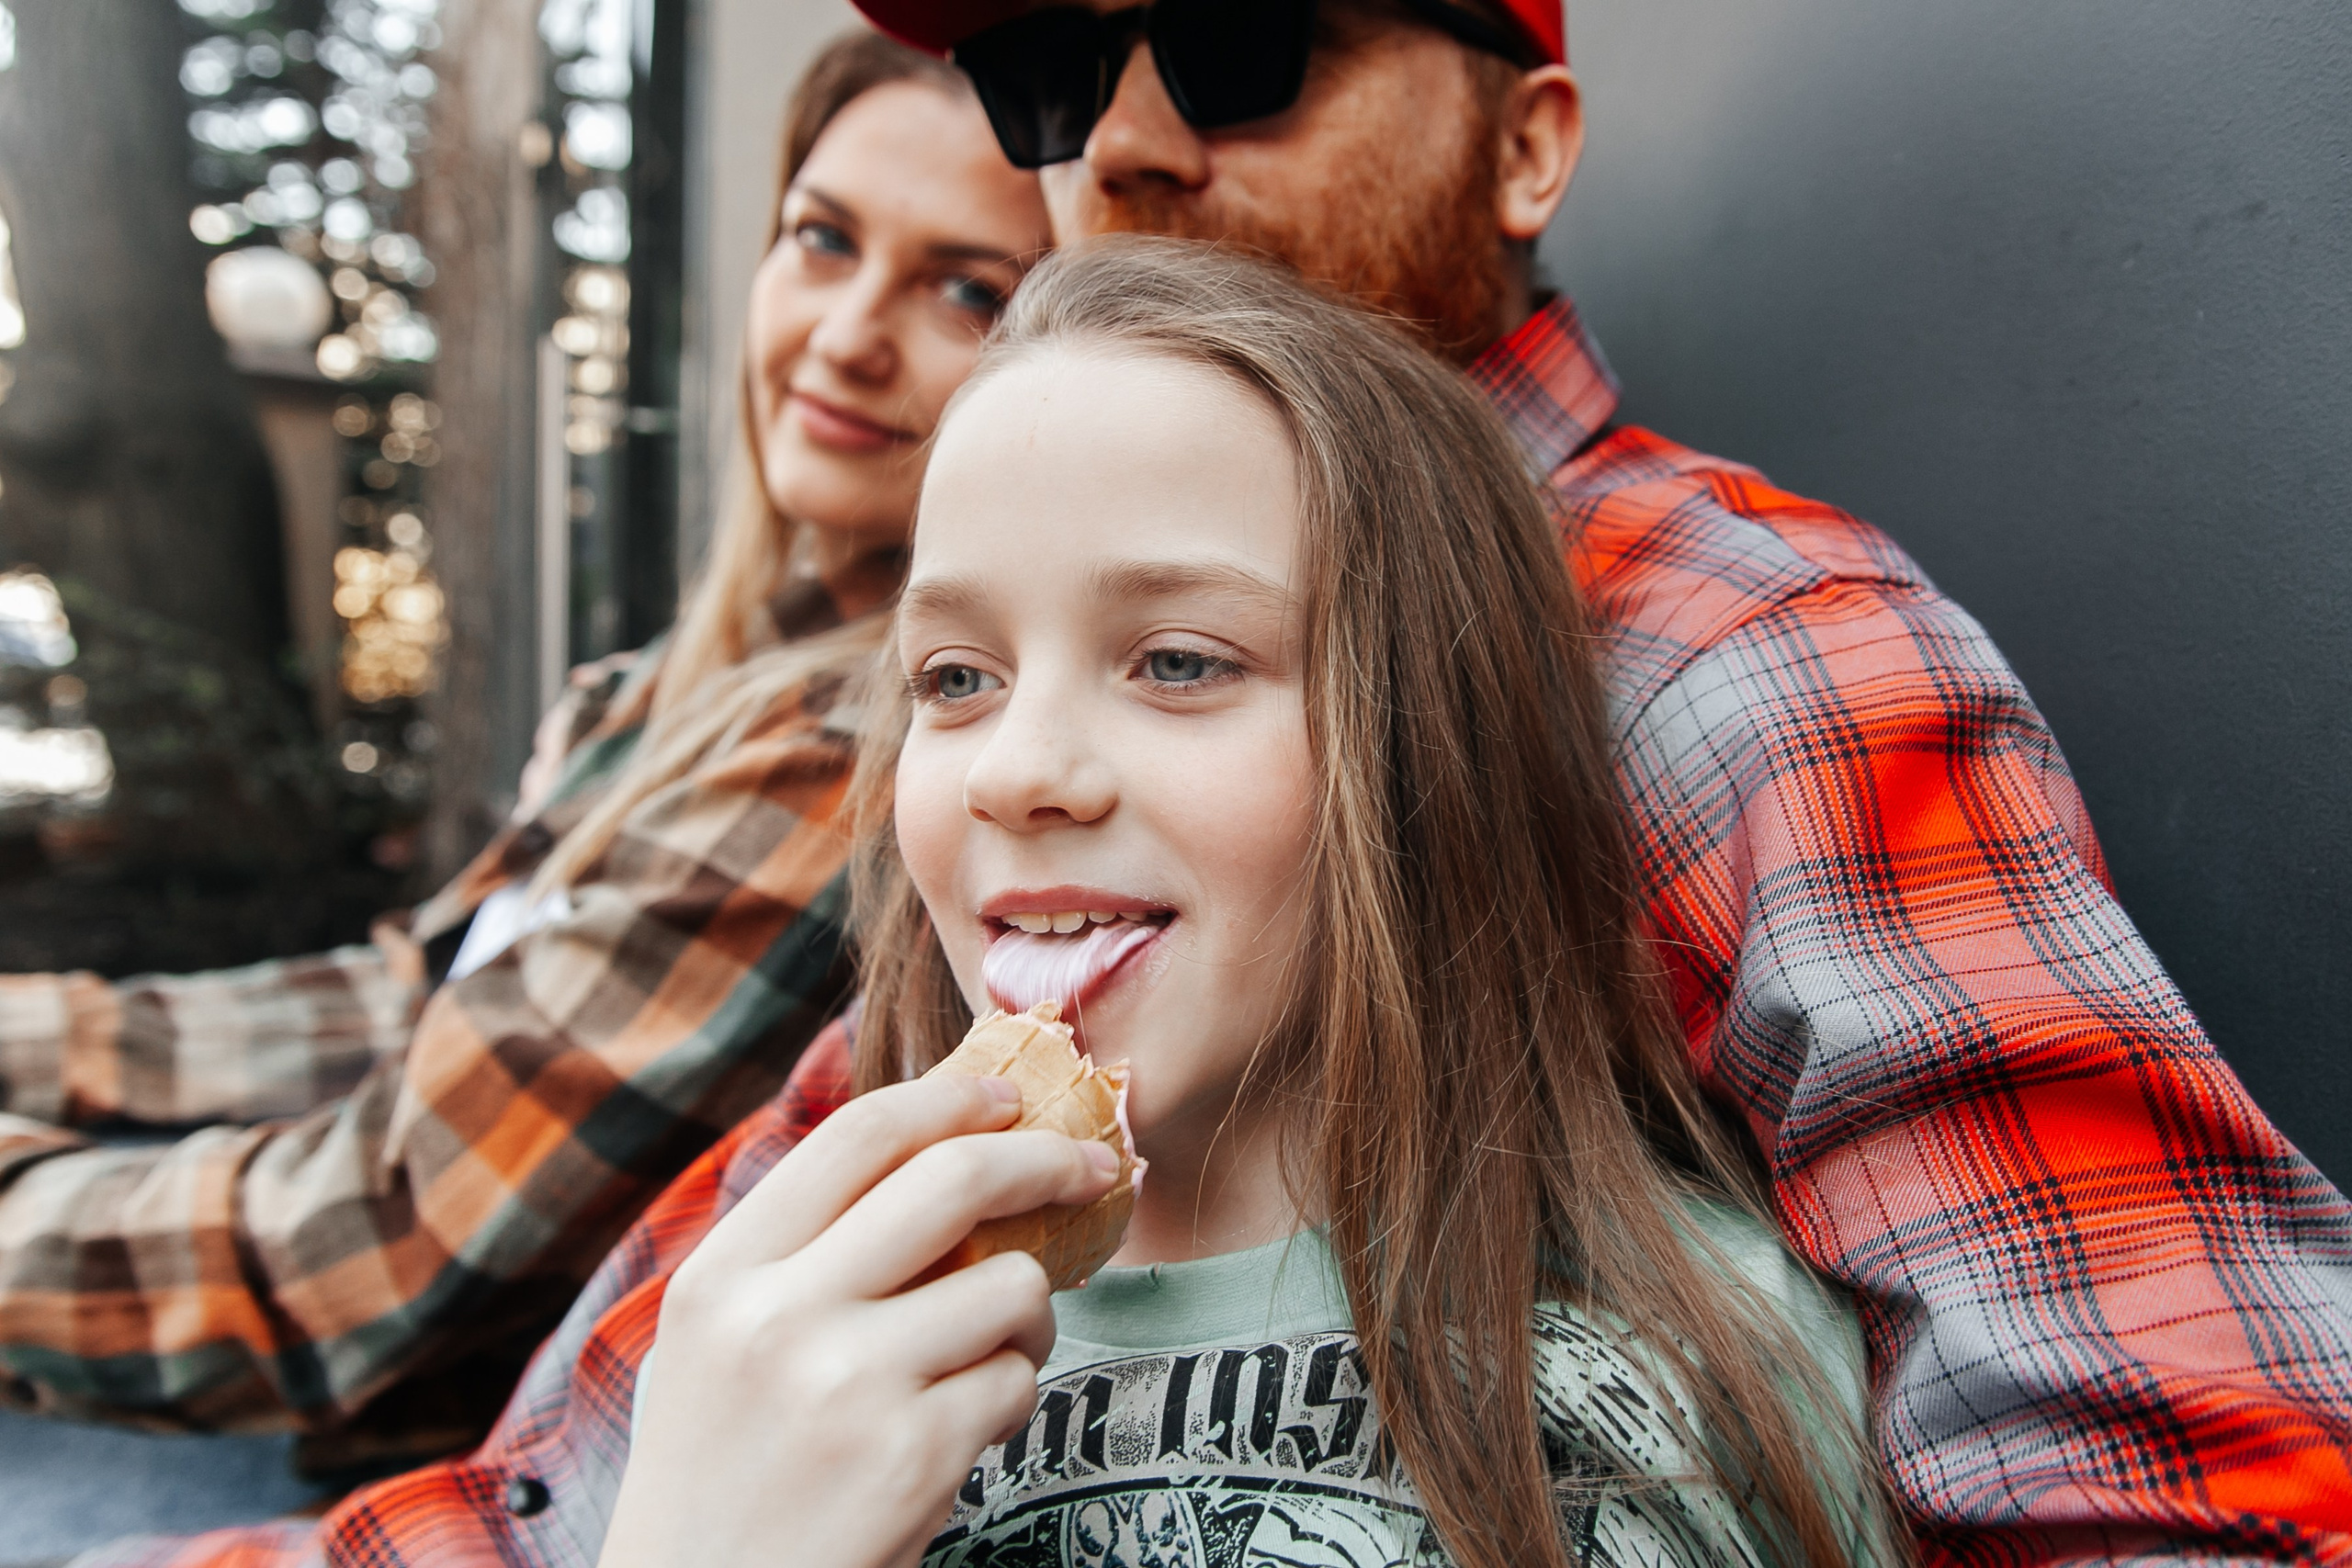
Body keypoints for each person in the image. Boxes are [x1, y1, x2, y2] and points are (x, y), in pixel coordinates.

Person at [76, 1, 2352, 1564]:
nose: (1126, 146)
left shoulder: (1718, 648)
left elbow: (2187, 1473)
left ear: (1528, 137)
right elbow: (570, 1483)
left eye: (1252, 43)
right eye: (1061, 67)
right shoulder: (1013, 862)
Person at [604, 236, 1902, 1568]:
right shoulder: (768, 1339)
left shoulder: (1705, 1371)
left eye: (1176, 661)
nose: (1014, 770)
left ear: (1424, 751)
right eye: (954, 678)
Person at [0, 28, 1047, 1474]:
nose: (849, 331)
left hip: (440, 1460)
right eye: (822, 238)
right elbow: (420, 994)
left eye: (965, 290)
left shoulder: (859, 751)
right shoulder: (663, 688)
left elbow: (361, 1253)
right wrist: (43, 1031)